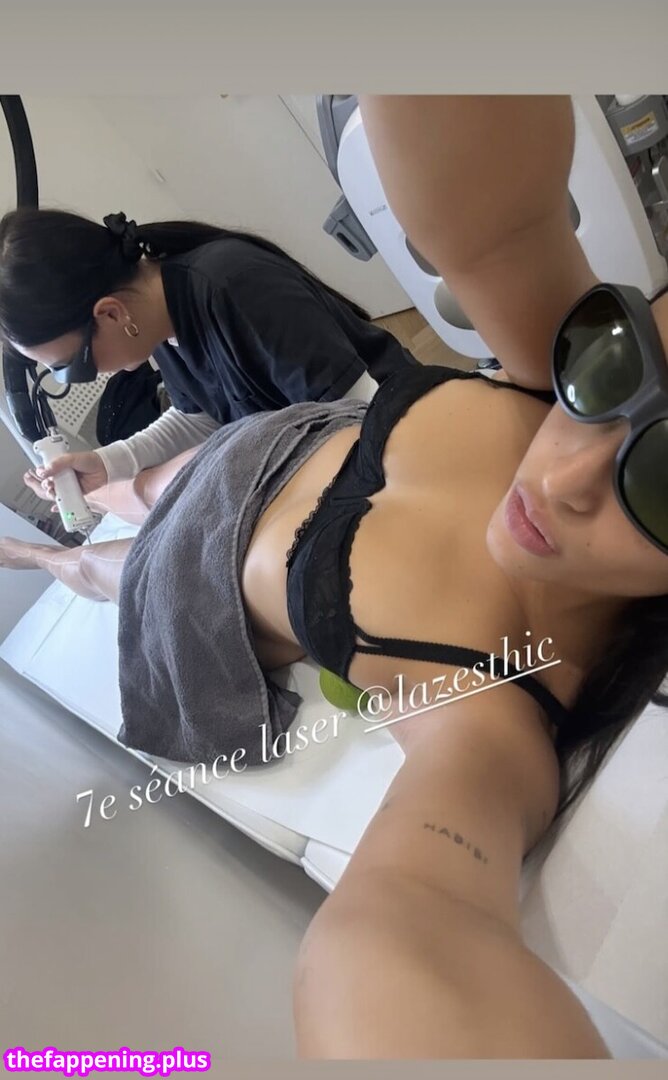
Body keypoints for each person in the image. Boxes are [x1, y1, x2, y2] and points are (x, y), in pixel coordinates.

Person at [2, 94, 668, 1058]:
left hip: (201, 559)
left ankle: (43, 557)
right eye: (617, 368)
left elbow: (407, 933)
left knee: (109, 566)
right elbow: (482, 204)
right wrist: (100, 464)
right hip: (274, 444)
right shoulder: (547, 369)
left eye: (663, 477)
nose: (561, 473)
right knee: (131, 489)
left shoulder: (495, 706)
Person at [0, 206, 418, 502]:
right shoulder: (158, 321)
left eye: (72, 367)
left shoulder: (236, 287)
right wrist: (107, 464)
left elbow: (364, 413)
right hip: (345, 458)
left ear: (110, 313)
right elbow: (200, 415)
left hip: (406, 439)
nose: (87, 377)